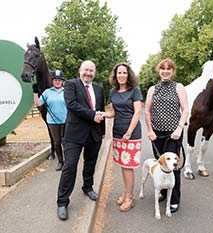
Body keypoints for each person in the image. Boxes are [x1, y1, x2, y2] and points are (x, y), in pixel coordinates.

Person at [56, 60, 105, 220]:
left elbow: (101, 111)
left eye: (91, 70)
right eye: (86, 70)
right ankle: (62, 202)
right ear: (80, 71)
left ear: (94, 72)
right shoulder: (71, 84)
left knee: (90, 163)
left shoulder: (99, 88)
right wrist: (92, 115)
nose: (88, 73)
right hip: (74, 135)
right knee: (69, 167)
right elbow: (72, 105)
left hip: (94, 135)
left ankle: (88, 187)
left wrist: (102, 132)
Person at [144, 58, 189, 213]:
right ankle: (163, 192)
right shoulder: (152, 89)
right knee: (161, 164)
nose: (165, 70)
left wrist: (179, 129)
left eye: (169, 68)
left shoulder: (179, 87)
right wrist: (150, 130)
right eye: (163, 68)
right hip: (157, 134)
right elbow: (147, 111)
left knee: (173, 166)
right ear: (159, 70)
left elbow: (185, 110)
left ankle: (175, 199)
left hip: (173, 134)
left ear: (172, 71)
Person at [102, 63, 143, 212]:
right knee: (123, 165)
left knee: (128, 167)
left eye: (124, 72)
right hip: (117, 132)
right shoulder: (113, 92)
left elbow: (137, 112)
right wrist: (104, 114)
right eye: (119, 72)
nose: (121, 75)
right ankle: (126, 193)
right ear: (115, 75)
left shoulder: (135, 91)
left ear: (128, 74)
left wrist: (128, 132)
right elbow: (114, 112)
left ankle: (129, 198)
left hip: (130, 134)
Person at [34, 69, 67, 171]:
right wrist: (35, 93)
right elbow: (39, 103)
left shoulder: (66, 91)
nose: (57, 81)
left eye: (59, 80)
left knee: (66, 142)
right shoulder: (47, 92)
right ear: (52, 81)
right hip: (52, 122)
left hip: (66, 121)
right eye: (55, 79)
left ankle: (69, 161)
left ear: (62, 81)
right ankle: (61, 161)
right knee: (57, 142)